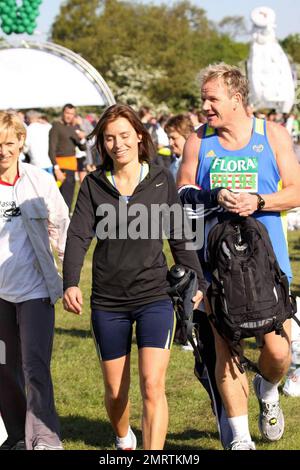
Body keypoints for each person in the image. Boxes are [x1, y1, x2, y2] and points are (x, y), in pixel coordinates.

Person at [62, 104, 207, 450]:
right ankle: (124, 436)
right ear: (101, 143)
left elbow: (179, 232)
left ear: (139, 136)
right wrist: (69, 281)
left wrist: (197, 280)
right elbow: (79, 234)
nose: (117, 144)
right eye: (109, 138)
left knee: (152, 384)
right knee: (115, 392)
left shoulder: (160, 178)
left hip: (155, 295)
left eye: (124, 136)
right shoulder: (94, 184)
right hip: (108, 301)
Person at [177, 63, 300, 450]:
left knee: (278, 350)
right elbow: (181, 191)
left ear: (236, 98)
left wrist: (260, 200)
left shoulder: (273, 134)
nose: (206, 107)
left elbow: (297, 190)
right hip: (219, 262)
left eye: (212, 100)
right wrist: (213, 197)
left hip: (268, 262)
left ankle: (267, 388)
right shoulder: (199, 140)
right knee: (227, 349)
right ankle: (241, 440)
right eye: (203, 100)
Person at [0, 111, 69, 450]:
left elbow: (61, 224)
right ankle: (15, 435)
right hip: (0, 294)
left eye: (9, 143)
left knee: (34, 366)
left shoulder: (38, 181)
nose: (3, 151)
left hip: (35, 291)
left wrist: (68, 278)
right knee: (2, 365)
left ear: (22, 143)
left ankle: (44, 439)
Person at [48, 104, 86, 211]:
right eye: (67, 113)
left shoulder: (74, 128)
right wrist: (56, 169)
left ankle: (67, 224)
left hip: (71, 168)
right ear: (63, 113)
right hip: (61, 168)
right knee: (58, 200)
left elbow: (83, 147)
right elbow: (51, 150)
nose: (69, 116)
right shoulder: (56, 126)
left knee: (69, 200)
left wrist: (82, 138)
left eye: (72, 114)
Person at [164, 114, 195, 181]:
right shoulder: (172, 166)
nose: (170, 143)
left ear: (187, 136)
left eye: (174, 138)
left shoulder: (197, 164)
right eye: (168, 138)